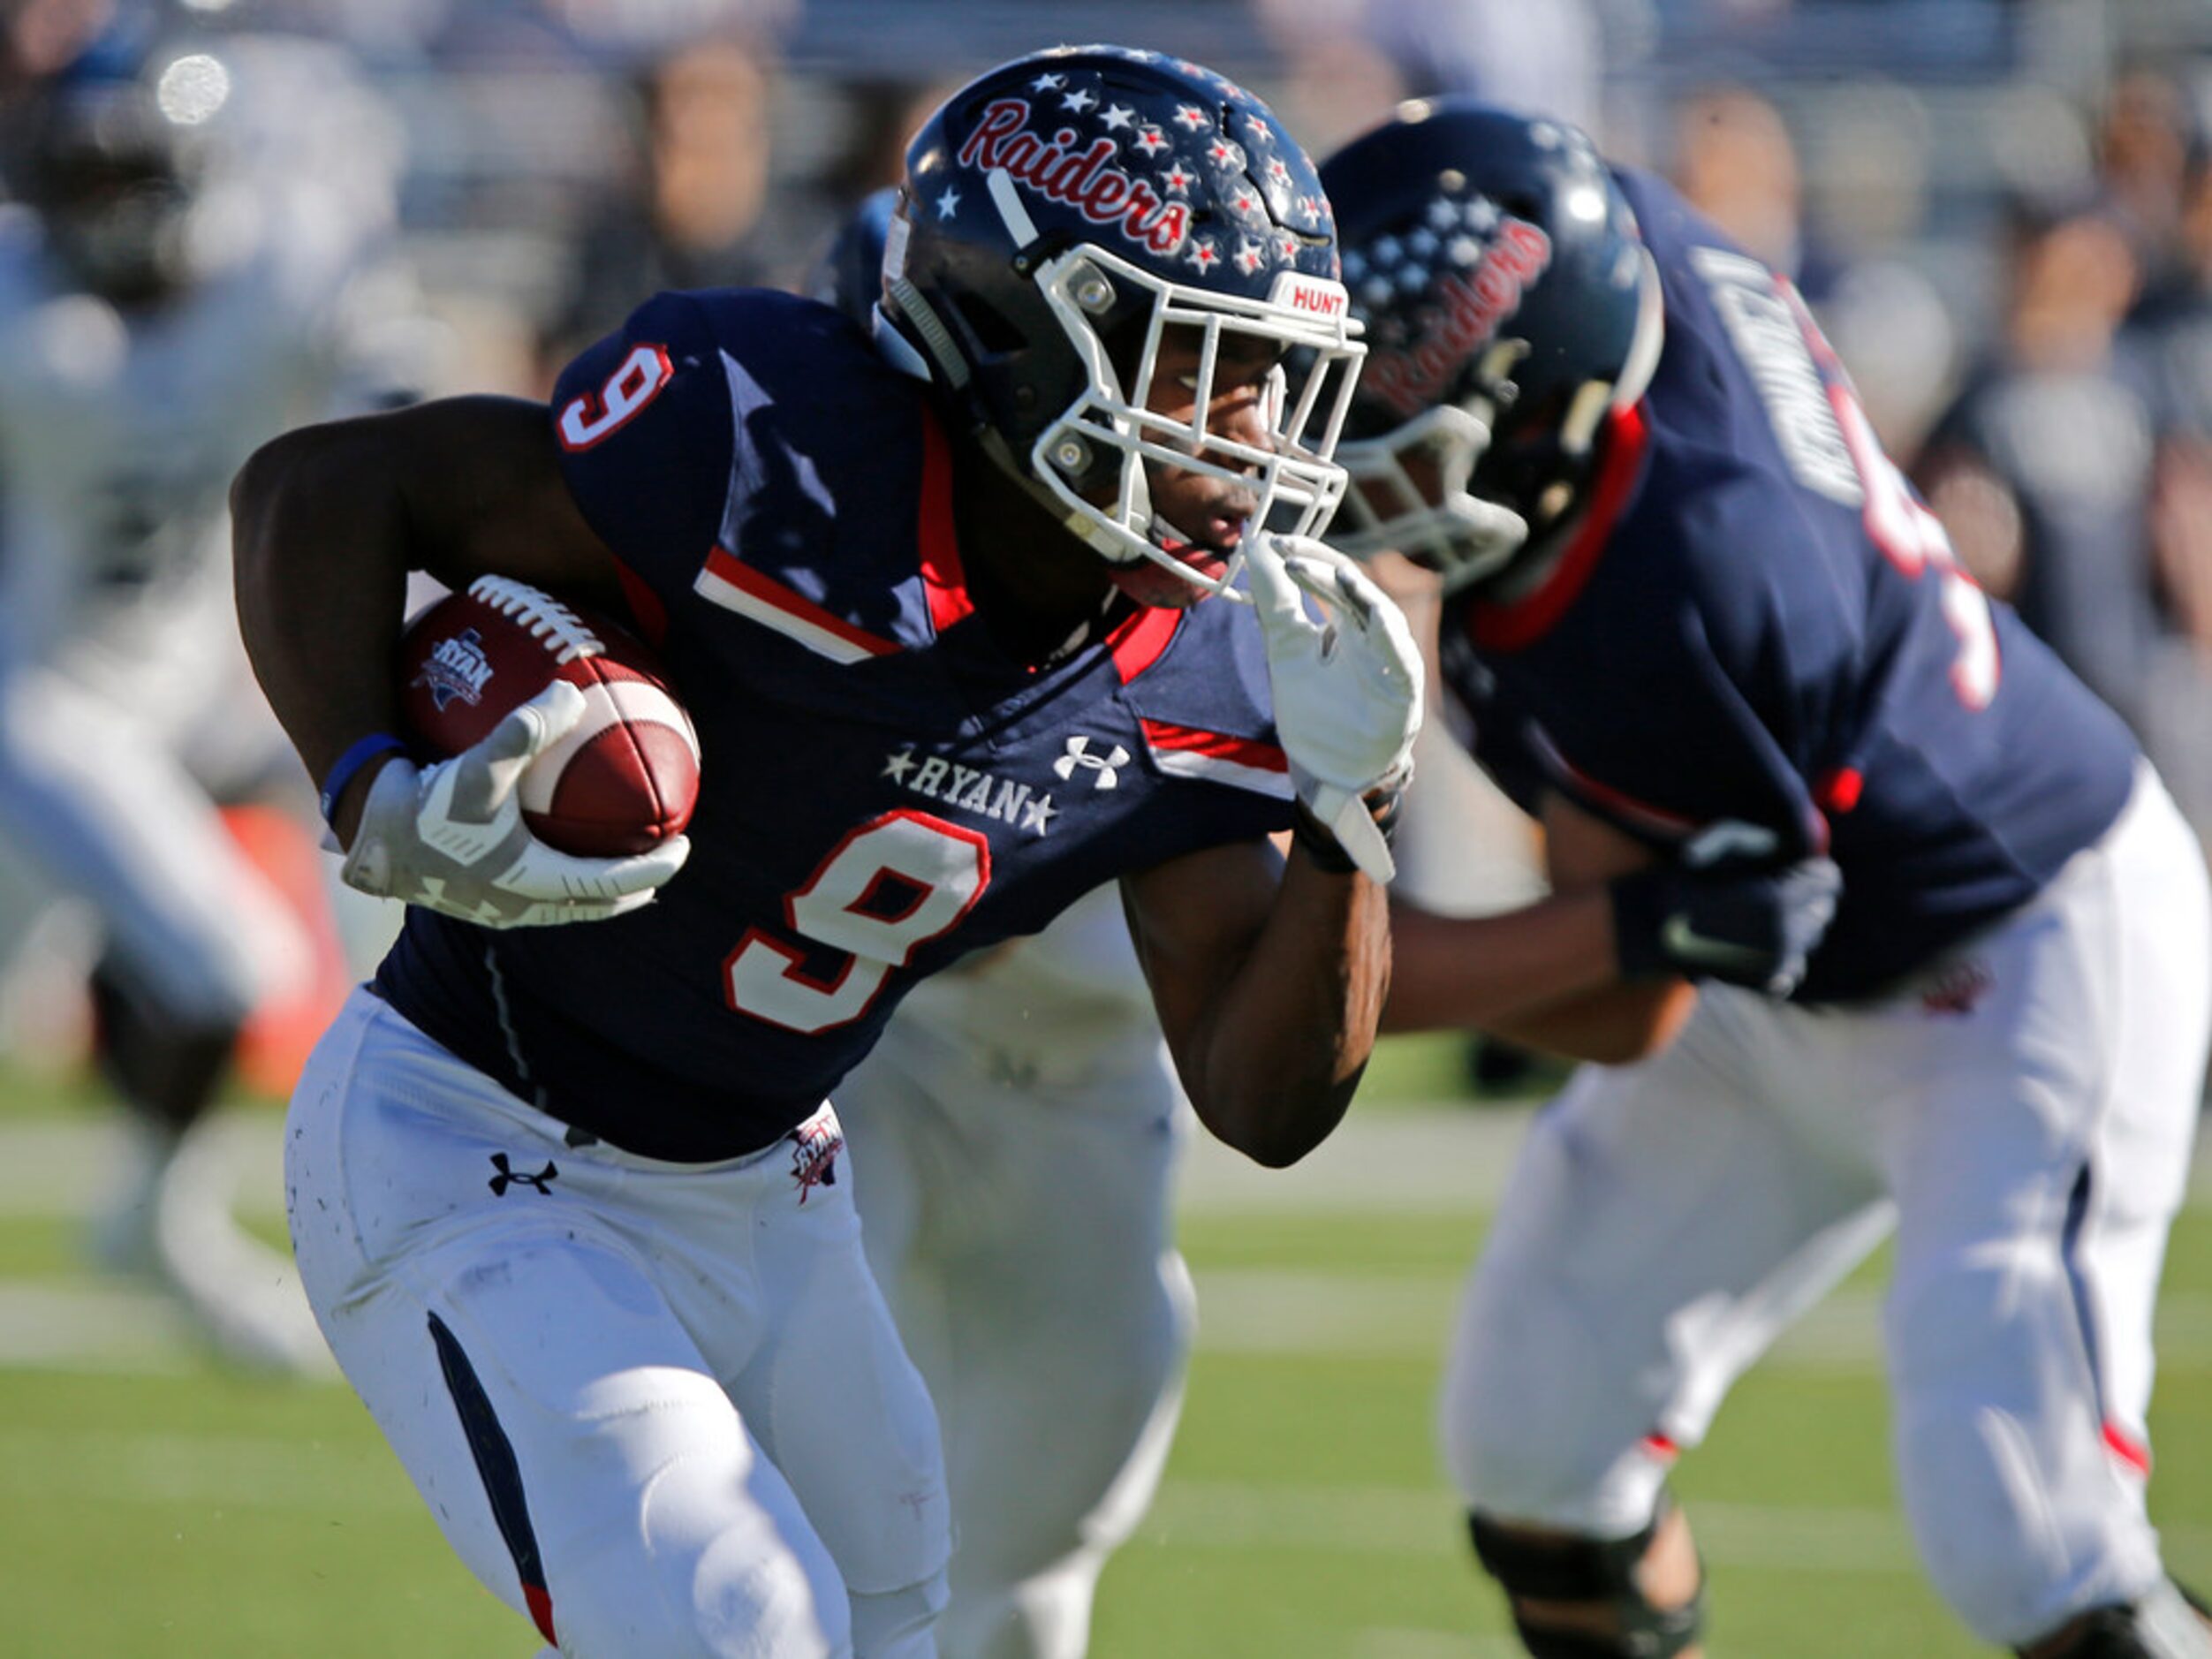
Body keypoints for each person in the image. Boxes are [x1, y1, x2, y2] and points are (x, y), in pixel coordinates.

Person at [232, 43, 1461, 1659]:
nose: (1250, 437)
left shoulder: (1208, 660)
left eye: (1272, 377)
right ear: (1023, 335)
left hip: (770, 1189)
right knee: (744, 1625)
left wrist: (1349, 811)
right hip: (473, 1141)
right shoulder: (777, 454)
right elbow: (320, 488)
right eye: (1202, 367)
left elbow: (1263, 1096)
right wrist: (369, 788)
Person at [1318, 99, 2212, 1659]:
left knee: (2031, 1526)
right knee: (1535, 1440)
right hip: (1792, 930)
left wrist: (1310, 962)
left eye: (1381, 405)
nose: (1323, 451)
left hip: (2018, 949)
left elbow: (1622, 1005)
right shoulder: (1611, 270)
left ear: (1527, 417)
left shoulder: (1688, 594)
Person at [808, 186, 1194, 1659]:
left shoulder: (1196, 571)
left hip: (1087, 1088)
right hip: (852, 1058)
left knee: (1029, 1572)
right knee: (754, 1504)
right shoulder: (804, 547)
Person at [0, 32, 419, 1372]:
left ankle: (366, 1206)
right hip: (53, 699)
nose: (99, 209)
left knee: (397, 911)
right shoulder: (34, 327)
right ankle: (155, 1217)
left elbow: (392, 371)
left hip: (210, 679)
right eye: (81, 176)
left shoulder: (273, 267)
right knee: (239, 965)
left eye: (124, 175)